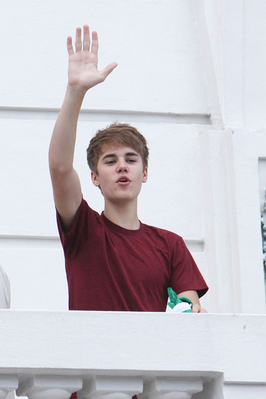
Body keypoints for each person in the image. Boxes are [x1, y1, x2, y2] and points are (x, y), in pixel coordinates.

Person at [49, 25, 208, 314]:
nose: (122, 165)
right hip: (90, 359)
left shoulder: (170, 245)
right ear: (94, 177)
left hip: (150, 360)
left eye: (131, 159)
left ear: (144, 173)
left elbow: (190, 310)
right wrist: (75, 91)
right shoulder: (84, 229)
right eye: (110, 161)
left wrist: (191, 312)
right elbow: (60, 168)